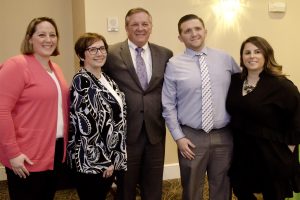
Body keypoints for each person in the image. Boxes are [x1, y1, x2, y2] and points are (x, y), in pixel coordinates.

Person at [162, 14, 240, 200]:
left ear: (205, 31)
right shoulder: (174, 65)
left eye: (197, 28)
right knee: (191, 189)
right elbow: (168, 104)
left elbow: (242, 89)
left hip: (224, 135)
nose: (193, 33)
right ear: (180, 37)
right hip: (191, 137)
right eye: (187, 31)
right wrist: (179, 137)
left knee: (222, 186)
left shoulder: (225, 59)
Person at [104, 7, 173, 200]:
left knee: (153, 188)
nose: (140, 28)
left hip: (155, 131)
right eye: (135, 24)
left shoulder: (165, 54)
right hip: (125, 133)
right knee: (125, 187)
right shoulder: (111, 53)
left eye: (145, 24)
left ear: (151, 27)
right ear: (126, 28)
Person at [0, 17, 69, 200]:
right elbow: (1, 110)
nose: (49, 39)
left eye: (53, 35)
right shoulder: (17, 65)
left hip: (54, 150)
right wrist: (12, 153)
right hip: (26, 154)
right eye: (42, 35)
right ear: (30, 38)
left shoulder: (56, 68)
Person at [226, 36, 300, 200]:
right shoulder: (236, 81)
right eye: (247, 52)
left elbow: (296, 118)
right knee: (239, 188)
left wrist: (288, 150)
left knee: (273, 193)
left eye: (257, 52)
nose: (252, 56)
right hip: (243, 150)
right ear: (242, 57)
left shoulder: (281, 85)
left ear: (266, 55)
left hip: (271, 151)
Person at [66, 32, 127, 200]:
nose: (99, 53)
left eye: (102, 48)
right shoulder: (81, 80)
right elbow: (86, 125)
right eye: (92, 49)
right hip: (91, 160)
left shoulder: (105, 78)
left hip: (109, 156)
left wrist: (115, 156)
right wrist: (103, 160)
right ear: (81, 55)